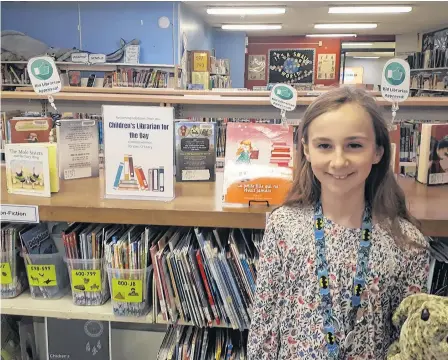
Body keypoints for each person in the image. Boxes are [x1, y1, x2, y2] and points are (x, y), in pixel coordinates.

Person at [247, 87, 430, 360]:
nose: (338, 161)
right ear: (306, 149)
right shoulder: (283, 227)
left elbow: (410, 345)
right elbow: (265, 326)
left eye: (354, 145)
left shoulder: (407, 245)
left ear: (378, 151)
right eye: (324, 145)